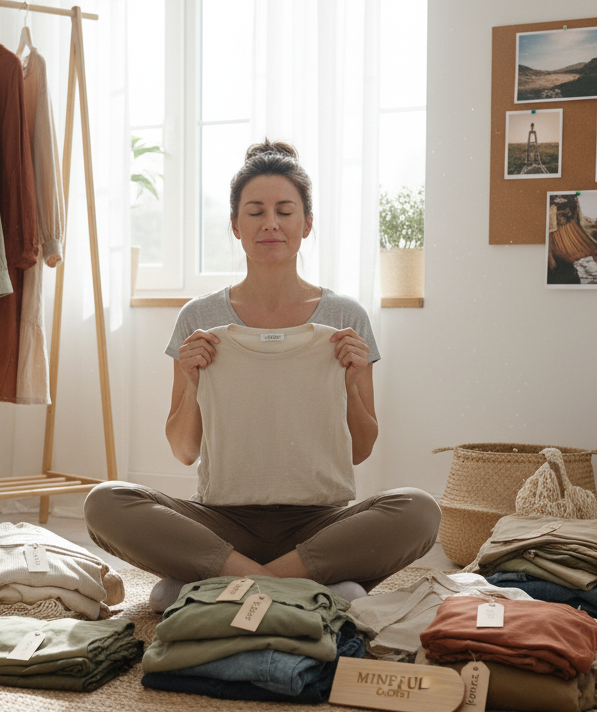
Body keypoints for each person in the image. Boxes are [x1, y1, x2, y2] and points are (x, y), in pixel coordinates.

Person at [84, 139, 441, 610]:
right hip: (222, 524)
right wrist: (191, 382)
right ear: (235, 225)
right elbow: (184, 450)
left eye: (284, 210)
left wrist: (353, 383)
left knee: (419, 510)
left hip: (320, 523)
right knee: (105, 502)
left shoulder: (346, 316)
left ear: (307, 223)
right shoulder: (198, 318)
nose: (270, 223)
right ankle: (305, 588)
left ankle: (219, 586)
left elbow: (360, 449)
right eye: (255, 211)